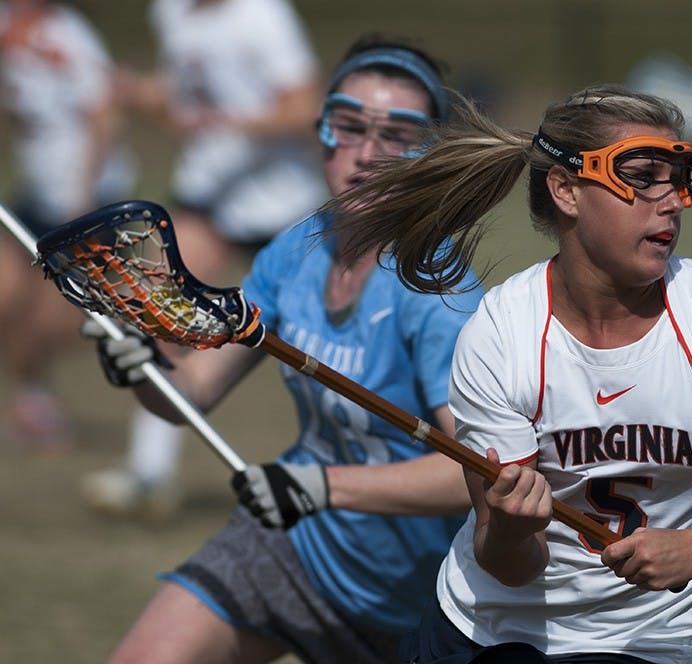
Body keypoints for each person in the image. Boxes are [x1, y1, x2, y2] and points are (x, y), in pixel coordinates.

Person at [329, 83, 692, 663]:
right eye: (642, 176)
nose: (671, 200)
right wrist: (513, 527)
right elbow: (510, 567)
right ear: (566, 189)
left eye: (678, 175)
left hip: (658, 644)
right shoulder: (501, 333)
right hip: (489, 632)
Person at [81, 36, 482, 663]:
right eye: (347, 127)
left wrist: (323, 485)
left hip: (426, 600)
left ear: (428, 154)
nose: (368, 153)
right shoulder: (295, 248)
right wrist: (144, 368)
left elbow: (477, 473)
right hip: (298, 549)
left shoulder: (436, 293)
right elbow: (194, 392)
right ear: (319, 133)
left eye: (398, 134)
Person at [80, 0, 328, 520]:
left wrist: (231, 123)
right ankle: (151, 476)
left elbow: (305, 106)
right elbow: (183, 101)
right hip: (209, 193)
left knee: (323, 331)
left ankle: (352, 469)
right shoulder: (171, 12)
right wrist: (134, 91)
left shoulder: (263, 16)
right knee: (160, 315)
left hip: (282, 200)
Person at [0, 0, 134, 452]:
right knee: (4, 296)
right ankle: (34, 402)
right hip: (35, 197)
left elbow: (106, 115)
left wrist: (83, 192)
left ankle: (39, 405)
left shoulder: (69, 35)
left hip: (83, 203)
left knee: (46, 318)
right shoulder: (8, 29)